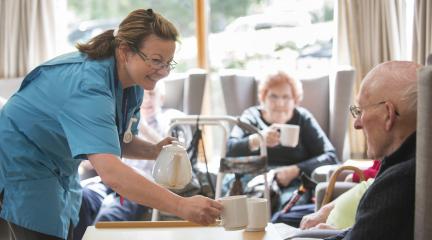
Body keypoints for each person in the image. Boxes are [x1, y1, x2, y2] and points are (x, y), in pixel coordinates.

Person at [0, 9, 222, 240]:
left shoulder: (132, 84)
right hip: (21, 164)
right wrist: (181, 206)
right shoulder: (89, 86)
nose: (164, 71)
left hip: (59, 170)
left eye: (168, 63)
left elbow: (115, 140)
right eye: (156, 61)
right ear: (126, 51)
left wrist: (153, 151)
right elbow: (111, 173)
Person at [73, 81, 190, 240]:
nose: (147, 100)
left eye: (152, 94)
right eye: (144, 95)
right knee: (82, 200)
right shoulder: (128, 120)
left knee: (109, 216)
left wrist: (144, 129)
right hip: (111, 180)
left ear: (161, 99)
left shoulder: (171, 119)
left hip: (138, 185)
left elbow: (178, 153)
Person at [322, 61, 421, 240]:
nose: (357, 123)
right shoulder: (414, 164)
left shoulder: (398, 181)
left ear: (388, 114)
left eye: (360, 111)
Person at [225, 71, 338, 213]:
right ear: (263, 98)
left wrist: (296, 169)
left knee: (289, 210)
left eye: (286, 97)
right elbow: (230, 149)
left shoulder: (302, 118)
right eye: (273, 96)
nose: (280, 103)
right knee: (245, 207)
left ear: (295, 100)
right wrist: (258, 139)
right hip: (252, 177)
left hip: (291, 183)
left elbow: (330, 156)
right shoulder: (251, 116)